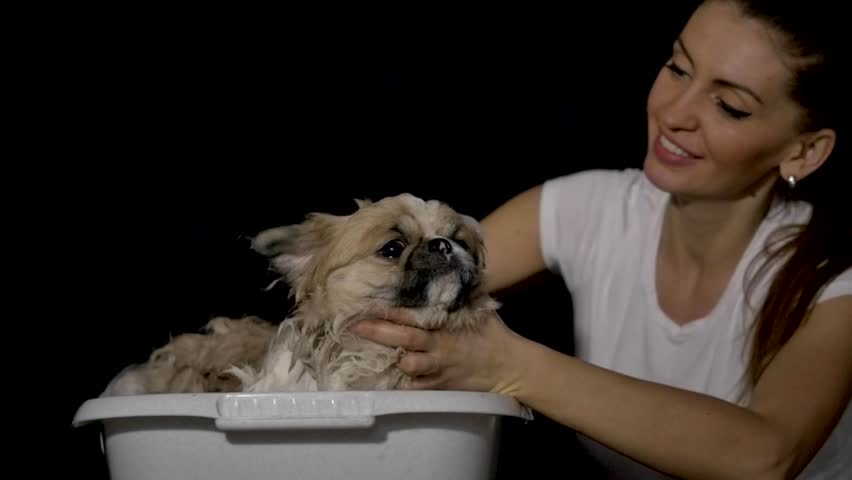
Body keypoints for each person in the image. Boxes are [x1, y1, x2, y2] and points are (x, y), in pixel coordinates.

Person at [350, 0, 852, 478]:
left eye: (729, 106)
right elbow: (376, 290)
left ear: (804, 151)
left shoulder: (837, 279)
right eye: (678, 68)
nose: (674, 112)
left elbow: (765, 458)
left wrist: (510, 364)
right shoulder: (590, 209)